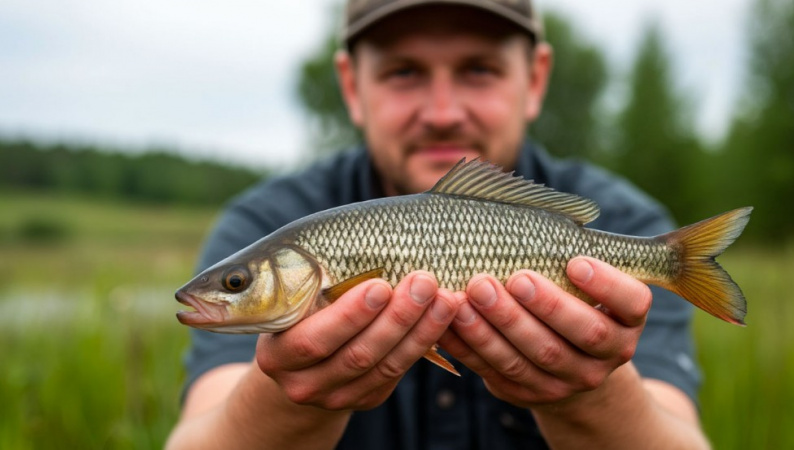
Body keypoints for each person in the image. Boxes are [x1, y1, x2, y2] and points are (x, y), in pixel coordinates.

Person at [166, 1, 710, 448]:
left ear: (536, 78)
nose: (443, 111)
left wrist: (588, 395)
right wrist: (284, 398)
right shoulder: (261, 221)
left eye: (479, 69)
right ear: (352, 87)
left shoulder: (631, 220)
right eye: (404, 72)